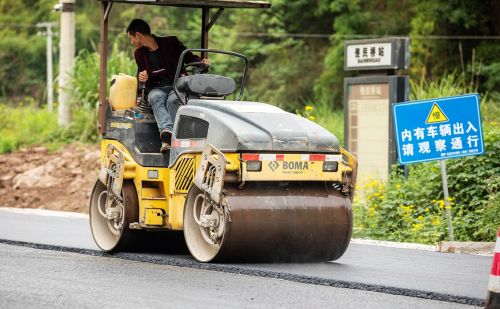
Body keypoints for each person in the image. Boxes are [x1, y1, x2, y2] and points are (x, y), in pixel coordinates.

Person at [126, 19, 210, 152]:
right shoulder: (139, 54)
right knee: (155, 98)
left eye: (131, 38)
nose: (131, 42)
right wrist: (142, 77)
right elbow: (143, 75)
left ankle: (167, 138)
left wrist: (201, 62)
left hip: (176, 85)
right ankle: (168, 134)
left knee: (173, 100)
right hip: (156, 88)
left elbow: (188, 57)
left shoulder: (171, 42)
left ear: (138, 35)